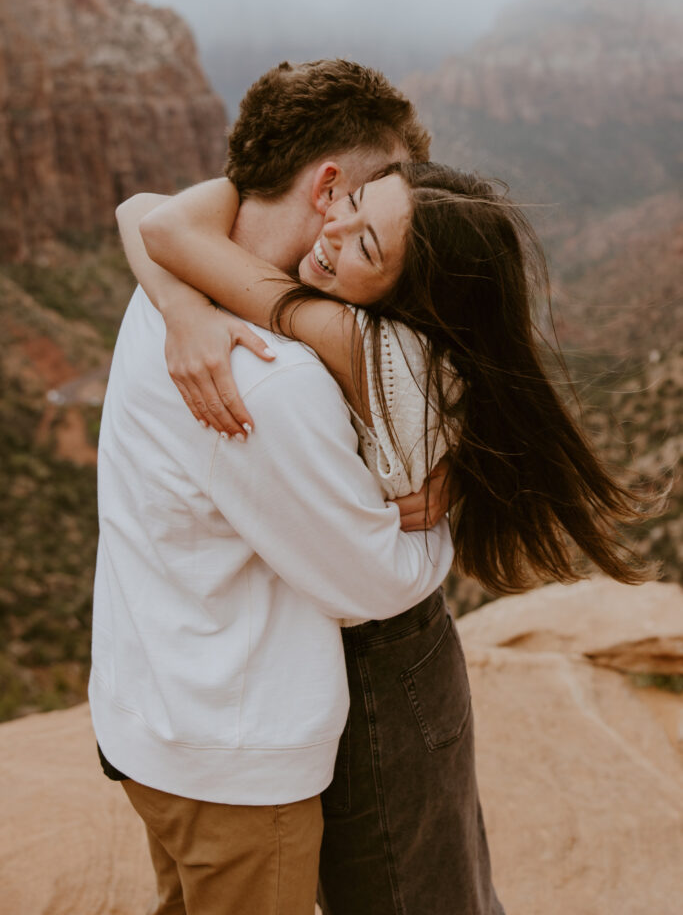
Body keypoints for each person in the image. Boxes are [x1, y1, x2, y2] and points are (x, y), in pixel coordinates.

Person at [118, 64, 649, 915]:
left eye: (366, 239)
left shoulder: (357, 344)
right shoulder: (297, 341)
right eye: (347, 205)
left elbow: (158, 223)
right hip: (358, 664)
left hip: (382, 665)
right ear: (327, 184)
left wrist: (184, 295)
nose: (334, 228)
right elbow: (149, 220)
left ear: (410, 293)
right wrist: (184, 302)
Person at [91, 58, 465, 915]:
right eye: (369, 201)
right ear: (329, 185)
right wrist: (437, 518)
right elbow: (371, 585)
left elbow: (153, 215)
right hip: (235, 759)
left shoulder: (180, 285)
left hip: (152, 716)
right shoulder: (266, 376)